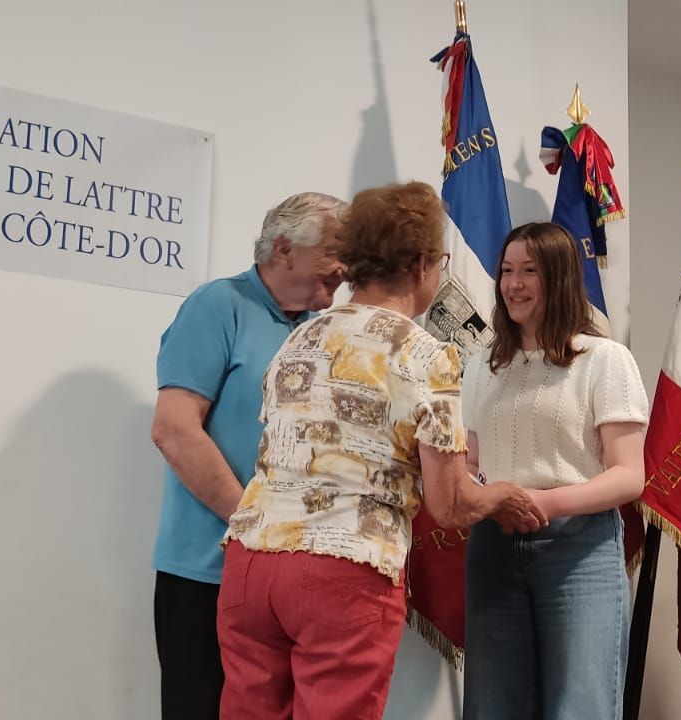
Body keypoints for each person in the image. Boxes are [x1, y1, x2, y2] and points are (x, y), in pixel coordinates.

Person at [216, 182, 547, 720]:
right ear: (421, 265)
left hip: (250, 564)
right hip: (342, 567)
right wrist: (501, 497)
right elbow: (450, 504)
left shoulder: (298, 338)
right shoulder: (425, 355)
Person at [149, 191, 348, 720]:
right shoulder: (218, 305)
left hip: (292, 577)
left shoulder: (322, 328)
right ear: (284, 248)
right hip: (208, 573)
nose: (344, 269)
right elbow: (174, 429)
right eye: (334, 253)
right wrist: (255, 526)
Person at [460, 222, 649, 720]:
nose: (513, 284)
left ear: (559, 277)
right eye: (506, 271)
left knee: (580, 706)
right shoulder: (481, 364)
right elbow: (472, 463)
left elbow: (629, 475)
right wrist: (483, 498)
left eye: (529, 271)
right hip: (493, 546)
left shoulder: (605, 360)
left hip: (578, 549)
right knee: (492, 707)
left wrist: (542, 502)